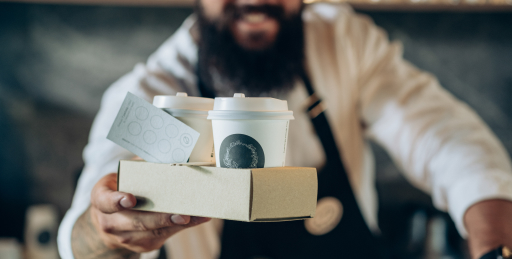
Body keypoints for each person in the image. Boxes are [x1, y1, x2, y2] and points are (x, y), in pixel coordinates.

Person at [58, 0, 512, 258]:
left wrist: (497, 248)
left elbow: (445, 138)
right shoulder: (157, 100)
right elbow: (81, 239)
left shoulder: (340, 43)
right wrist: (106, 229)